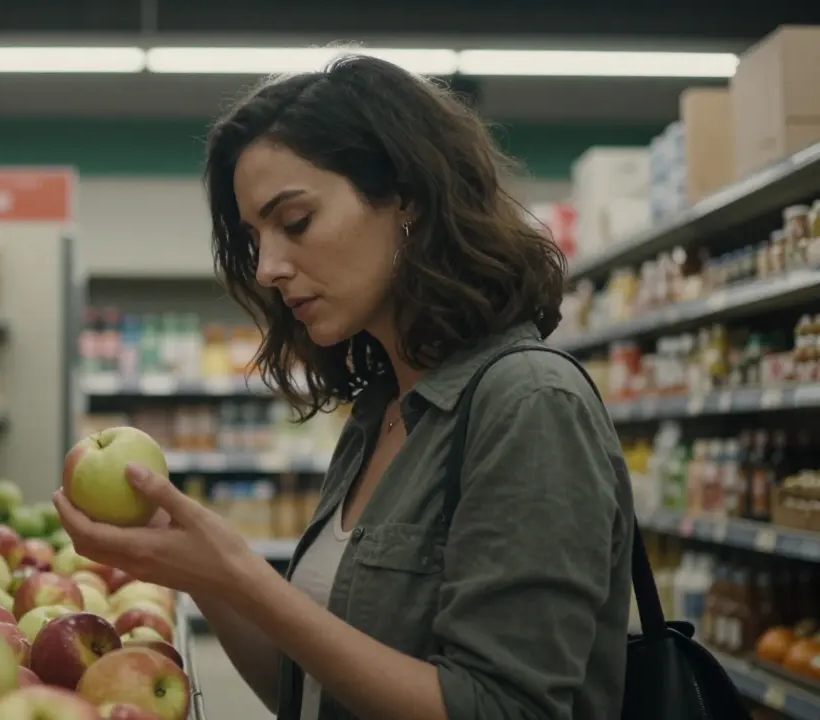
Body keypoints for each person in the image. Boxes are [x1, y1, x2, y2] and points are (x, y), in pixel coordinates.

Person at [54, 54, 633, 720]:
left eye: (295, 223)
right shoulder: (380, 411)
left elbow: (504, 709)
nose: (268, 267)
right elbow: (311, 692)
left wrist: (244, 573)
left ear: (407, 195)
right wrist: (203, 574)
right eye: (254, 239)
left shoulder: (529, 402)